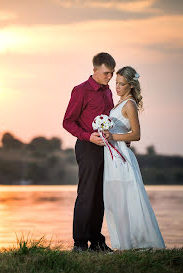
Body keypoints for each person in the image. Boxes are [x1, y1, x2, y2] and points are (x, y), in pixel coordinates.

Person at [102, 66, 165, 250]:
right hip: (111, 156)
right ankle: (123, 243)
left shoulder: (129, 104)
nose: (117, 87)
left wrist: (113, 137)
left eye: (121, 84)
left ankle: (140, 242)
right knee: (115, 200)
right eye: (116, 83)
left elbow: (136, 134)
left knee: (127, 199)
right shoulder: (119, 102)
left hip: (121, 157)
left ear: (130, 85)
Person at [62, 52, 115, 252]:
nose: (109, 77)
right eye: (106, 73)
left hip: (106, 148)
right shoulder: (80, 90)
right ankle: (80, 244)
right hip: (87, 147)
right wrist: (87, 136)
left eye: (111, 73)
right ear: (95, 70)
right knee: (86, 194)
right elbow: (67, 122)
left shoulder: (108, 91)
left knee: (100, 196)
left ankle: (97, 242)